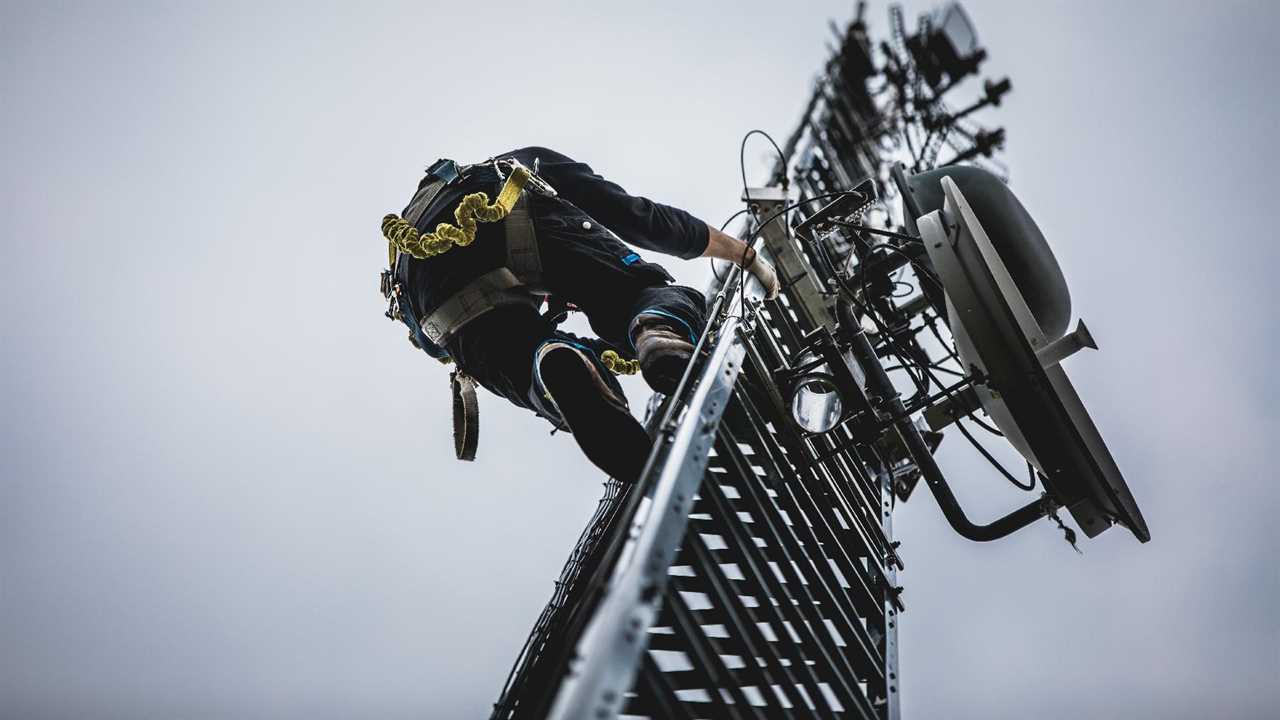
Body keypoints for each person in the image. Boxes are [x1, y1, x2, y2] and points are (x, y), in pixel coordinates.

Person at [379, 146, 779, 483]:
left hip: (430, 295)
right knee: (636, 295)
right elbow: (639, 217)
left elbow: (441, 346)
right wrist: (743, 254)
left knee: (524, 357)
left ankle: (551, 362)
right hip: (511, 206)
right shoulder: (519, 163)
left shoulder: (412, 243)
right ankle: (658, 329)